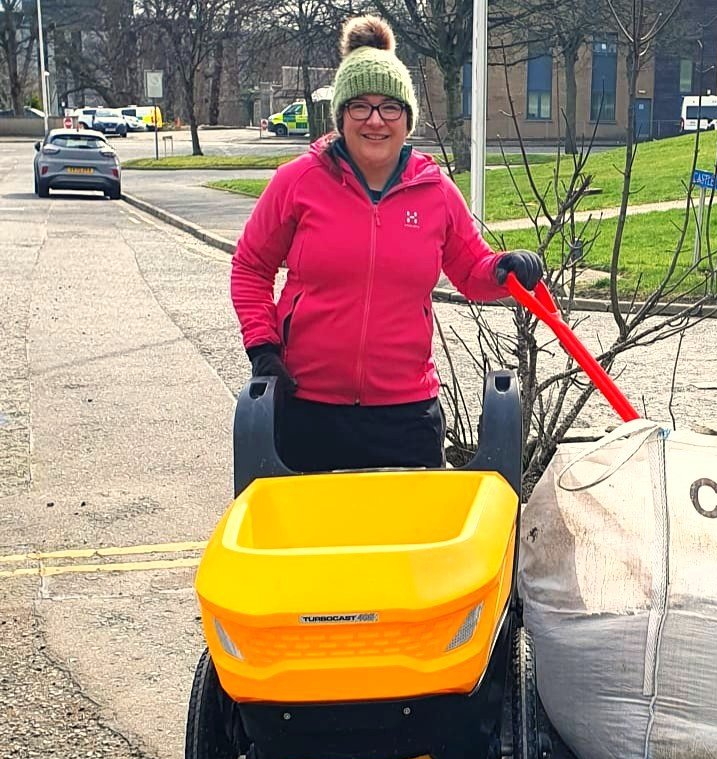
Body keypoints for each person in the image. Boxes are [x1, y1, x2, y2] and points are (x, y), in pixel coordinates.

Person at [231, 14, 544, 472]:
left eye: (389, 107)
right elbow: (251, 267)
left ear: (407, 117)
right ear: (341, 115)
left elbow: (472, 269)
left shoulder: (435, 191)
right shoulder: (297, 183)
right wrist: (263, 348)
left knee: (408, 543)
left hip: (405, 416)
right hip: (308, 409)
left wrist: (505, 269)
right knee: (317, 542)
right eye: (360, 106)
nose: (375, 120)